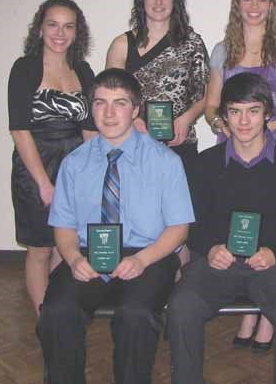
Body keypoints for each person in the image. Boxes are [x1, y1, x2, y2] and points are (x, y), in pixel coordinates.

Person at [37, 68, 194, 384]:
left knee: (135, 316)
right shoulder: (74, 163)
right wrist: (73, 259)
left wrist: (141, 260)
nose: (108, 113)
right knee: (56, 313)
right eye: (100, 103)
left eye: (119, 103)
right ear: (91, 107)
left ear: (135, 109)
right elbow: (64, 227)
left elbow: (179, 228)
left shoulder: (165, 161)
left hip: (148, 254)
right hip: (87, 253)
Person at [168, 72, 276, 384]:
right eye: (235, 111)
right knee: (182, 307)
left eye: (253, 111)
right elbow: (190, 221)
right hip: (218, 263)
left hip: (274, 265)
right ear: (223, 117)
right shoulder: (204, 164)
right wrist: (210, 248)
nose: (244, 122)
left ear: (268, 114)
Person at [204, 0, 276, 348]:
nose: (253, 6)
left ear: (272, 4)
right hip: (234, 148)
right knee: (240, 227)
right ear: (238, 3)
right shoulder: (222, 50)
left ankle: (267, 319)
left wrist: (269, 124)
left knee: (274, 230)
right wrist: (219, 122)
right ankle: (248, 311)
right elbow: (211, 105)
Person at [8, 0, 96, 316]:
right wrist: (44, 184)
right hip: (36, 165)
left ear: (77, 32)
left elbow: (90, 129)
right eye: (53, 24)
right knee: (41, 247)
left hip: (74, 162)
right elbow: (19, 130)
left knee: (67, 243)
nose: (60, 33)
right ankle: (45, 319)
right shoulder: (25, 68)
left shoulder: (84, 70)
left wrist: (93, 172)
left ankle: (62, 314)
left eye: (68, 26)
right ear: (40, 29)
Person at [106, 0, 210, 171]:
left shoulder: (192, 42)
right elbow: (109, 96)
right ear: (141, 0)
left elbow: (206, 95)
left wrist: (187, 119)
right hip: (133, 144)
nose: (159, 2)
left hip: (180, 144)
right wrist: (133, 119)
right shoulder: (122, 45)